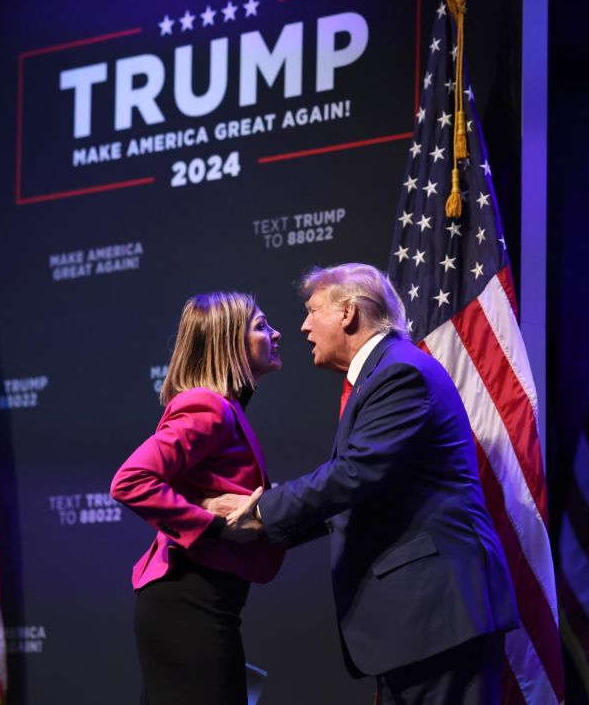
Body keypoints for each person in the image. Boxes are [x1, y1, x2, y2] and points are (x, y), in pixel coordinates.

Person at [209, 263, 517, 705]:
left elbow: (354, 475)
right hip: (420, 621)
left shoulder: (399, 373)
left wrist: (261, 512)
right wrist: (264, 519)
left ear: (348, 313)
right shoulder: (382, 374)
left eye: (313, 311)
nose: (303, 325)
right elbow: (361, 492)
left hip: (439, 613)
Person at [110, 292, 284, 705]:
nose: (276, 333)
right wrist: (213, 524)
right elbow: (130, 480)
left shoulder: (226, 409)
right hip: (188, 599)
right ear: (228, 342)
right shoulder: (209, 406)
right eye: (260, 326)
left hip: (203, 600)